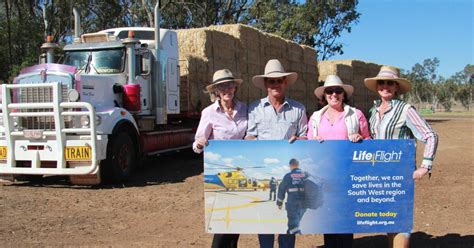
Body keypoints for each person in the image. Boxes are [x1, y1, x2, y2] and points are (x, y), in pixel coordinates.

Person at [364, 66, 439, 248]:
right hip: (380, 174)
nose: (386, 86)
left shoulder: (406, 110)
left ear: (396, 87)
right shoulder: (373, 113)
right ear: (377, 86)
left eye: (390, 83)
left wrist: (425, 165)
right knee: (389, 219)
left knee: (401, 219)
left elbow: (430, 135)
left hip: (400, 174)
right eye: (382, 82)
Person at [245, 59, 308, 248]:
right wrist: (255, 144)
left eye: (279, 80)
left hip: (290, 174)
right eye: (271, 81)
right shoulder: (254, 108)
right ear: (266, 84)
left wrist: (299, 140)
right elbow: (249, 136)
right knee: (265, 219)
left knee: (289, 220)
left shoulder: (299, 109)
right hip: (265, 173)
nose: (276, 84)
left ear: (285, 82)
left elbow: (306, 138)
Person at [307, 74, 371, 248]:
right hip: (324, 176)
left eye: (337, 91)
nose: (333, 94)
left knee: (345, 221)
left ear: (344, 94)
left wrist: (361, 139)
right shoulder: (315, 117)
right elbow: (308, 144)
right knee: (328, 221)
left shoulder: (355, 115)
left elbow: (370, 142)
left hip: (348, 176)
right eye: (329, 91)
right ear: (324, 95)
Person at [193, 69, 248, 248]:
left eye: (230, 85)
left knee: (237, 220)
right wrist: (200, 143)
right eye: (222, 86)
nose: (227, 89)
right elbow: (196, 144)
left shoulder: (245, 109)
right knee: (222, 222)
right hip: (220, 172)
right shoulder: (209, 112)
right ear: (216, 90)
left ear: (235, 88)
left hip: (242, 171)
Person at [276, 159, 307, 235]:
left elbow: (281, 189)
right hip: (304, 204)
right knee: (297, 222)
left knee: (293, 226)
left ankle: (291, 238)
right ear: (298, 165)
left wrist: (279, 203)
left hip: (292, 204)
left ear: (290, 165)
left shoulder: (288, 176)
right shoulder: (306, 175)